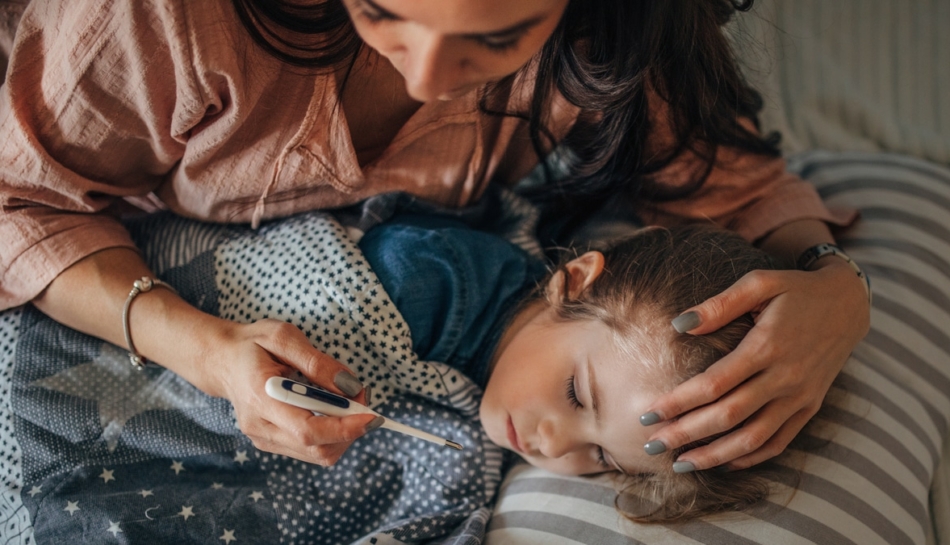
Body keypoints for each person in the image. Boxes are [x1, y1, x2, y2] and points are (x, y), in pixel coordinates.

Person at [0, 0, 869, 475]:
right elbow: (16, 202)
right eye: (382, 11)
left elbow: (738, 184)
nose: (422, 77)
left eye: (495, 39)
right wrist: (203, 348)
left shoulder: (608, 37)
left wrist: (837, 293)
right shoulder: (165, 19)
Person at [359, 215, 792, 522]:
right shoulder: (418, 280)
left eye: (603, 457)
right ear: (574, 282)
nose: (555, 447)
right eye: (575, 395)